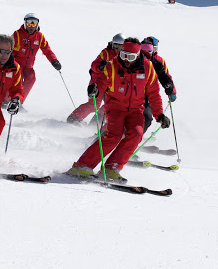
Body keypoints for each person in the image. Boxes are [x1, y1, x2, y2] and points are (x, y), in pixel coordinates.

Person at [66, 37, 171, 182]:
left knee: (136, 134)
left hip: (136, 109)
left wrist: (159, 115)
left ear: (138, 55)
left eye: (130, 57)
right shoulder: (113, 65)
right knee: (113, 136)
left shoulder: (147, 68)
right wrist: (95, 89)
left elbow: (153, 93)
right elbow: (101, 82)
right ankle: (82, 165)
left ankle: (111, 168)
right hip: (115, 107)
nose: (126, 60)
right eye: (123, 55)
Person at [66, 33, 125, 124]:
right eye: (116, 46)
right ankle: (74, 117)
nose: (117, 49)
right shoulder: (106, 52)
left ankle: (94, 124)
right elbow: (94, 65)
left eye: (120, 46)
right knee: (93, 105)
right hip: (97, 82)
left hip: (111, 85)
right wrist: (100, 66)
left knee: (109, 106)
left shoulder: (125, 57)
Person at [6, 13, 60, 104]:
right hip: (16, 64)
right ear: (25, 23)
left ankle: (19, 101)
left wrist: (54, 60)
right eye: (29, 23)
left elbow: (47, 50)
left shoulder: (39, 36)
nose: (31, 26)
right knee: (18, 78)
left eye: (34, 24)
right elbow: (8, 48)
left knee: (31, 78)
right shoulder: (17, 34)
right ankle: (7, 100)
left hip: (28, 66)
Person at [139, 36, 177, 132]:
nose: (146, 52)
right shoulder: (134, 61)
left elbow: (166, 77)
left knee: (147, 118)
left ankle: (132, 141)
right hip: (130, 98)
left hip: (146, 98)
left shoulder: (158, 62)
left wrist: (171, 90)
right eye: (143, 49)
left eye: (151, 49)